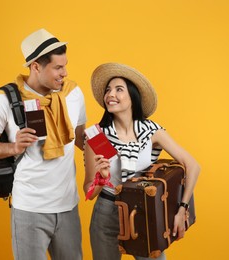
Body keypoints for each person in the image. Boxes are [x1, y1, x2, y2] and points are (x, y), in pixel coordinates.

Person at [0, 29, 86, 260]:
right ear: (36, 66)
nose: (65, 73)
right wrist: (13, 147)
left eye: (65, 66)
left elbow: (81, 137)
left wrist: (117, 147)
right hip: (29, 208)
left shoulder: (73, 94)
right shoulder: (5, 100)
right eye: (58, 67)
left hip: (68, 206)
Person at [83, 63, 200, 260]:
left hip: (143, 209)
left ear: (133, 97)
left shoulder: (151, 131)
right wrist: (101, 179)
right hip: (107, 212)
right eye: (108, 90)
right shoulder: (96, 136)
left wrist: (182, 209)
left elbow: (193, 165)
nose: (111, 94)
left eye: (119, 89)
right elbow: (88, 191)